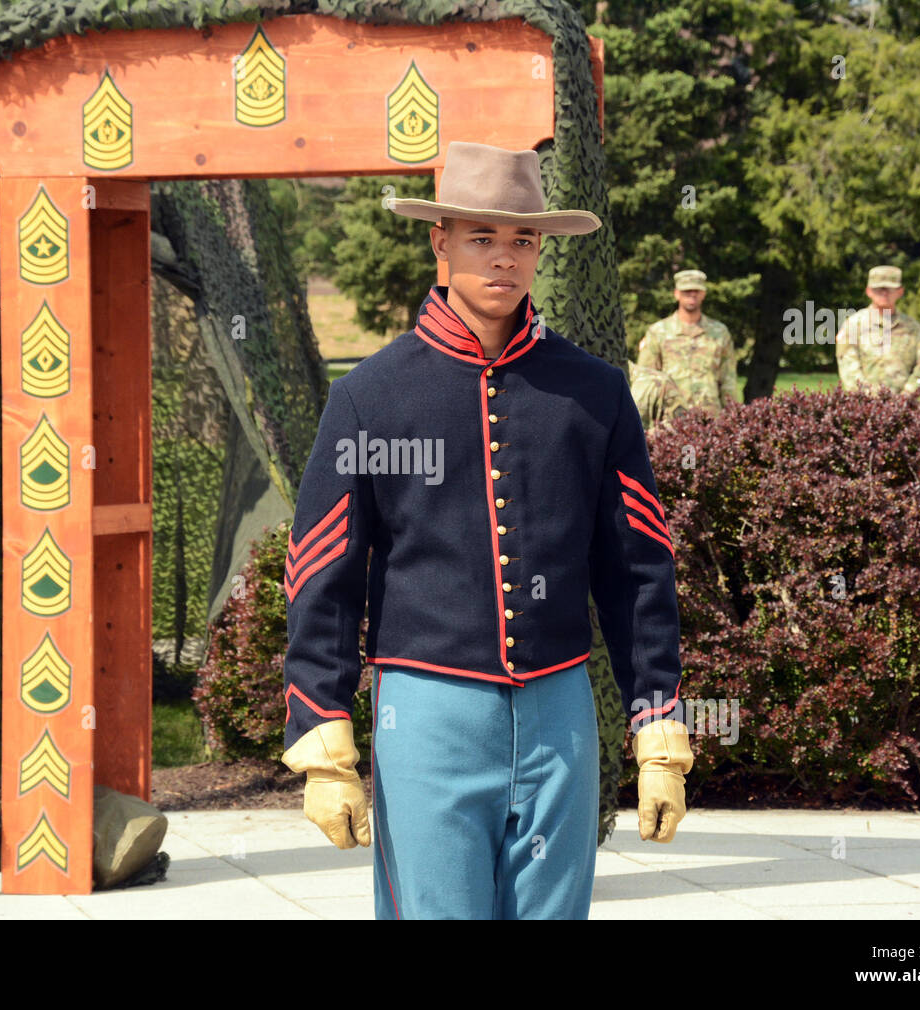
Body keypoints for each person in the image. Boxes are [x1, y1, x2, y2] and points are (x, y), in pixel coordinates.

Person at [279, 141, 693, 919]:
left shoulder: (595, 393)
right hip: (425, 713)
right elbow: (322, 577)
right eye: (481, 239)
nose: (505, 260)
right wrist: (323, 736)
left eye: (523, 241)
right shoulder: (371, 397)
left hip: (560, 712)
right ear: (440, 243)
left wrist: (658, 725)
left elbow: (638, 570)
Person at [636, 269, 738, 415]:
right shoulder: (658, 332)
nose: (692, 295)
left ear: (703, 294)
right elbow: (646, 381)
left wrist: (732, 417)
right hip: (671, 420)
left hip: (711, 420)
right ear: (676, 294)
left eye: (696, 291)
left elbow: (728, 379)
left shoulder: (719, 332)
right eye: (686, 291)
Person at [836, 265, 920, 395]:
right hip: (864, 407)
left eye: (889, 288)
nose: (884, 293)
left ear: (900, 291)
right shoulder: (853, 325)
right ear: (868, 291)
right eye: (878, 289)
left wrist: (905, 398)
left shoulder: (913, 328)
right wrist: (870, 398)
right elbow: (848, 368)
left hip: (905, 408)